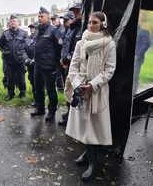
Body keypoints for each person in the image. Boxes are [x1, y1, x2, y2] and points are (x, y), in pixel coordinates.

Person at [65, 12, 116, 182]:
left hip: (96, 91)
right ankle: (87, 154)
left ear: (103, 24)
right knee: (83, 125)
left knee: (93, 127)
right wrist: (79, 84)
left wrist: (92, 85)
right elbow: (73, 67)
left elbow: (109, 70)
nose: (90, 25)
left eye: (94, 22)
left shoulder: (109, 44)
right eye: (89, 22)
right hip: (81, 90)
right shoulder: (81, 42)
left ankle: (94, 165)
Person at [30, 7, 62, 122]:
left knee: (50, 90)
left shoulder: (53, 30)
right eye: (38, 16)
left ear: (48, 17)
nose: (39, 18)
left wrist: (55, 64)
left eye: (42, 16)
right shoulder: (38, 29)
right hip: (37, 65)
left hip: (49, 66)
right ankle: (40, 109)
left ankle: (52, 112)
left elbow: (59, 48)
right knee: (38, 88)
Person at [58, 3, 83, 126]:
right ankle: (69, 113)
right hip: (66, 66)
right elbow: (65, 46)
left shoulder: (83, 27)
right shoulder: (71, 28)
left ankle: (73, 117)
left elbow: (79, 49)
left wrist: (67, 60)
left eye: (78, 11)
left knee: (75, 91)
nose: (76, 14)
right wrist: (62, 59)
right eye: (74, 11)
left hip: (75, 66)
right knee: (68, 90)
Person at [0, 15, 29, 100]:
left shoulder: (24, 33)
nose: (13, 23)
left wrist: (24, 56)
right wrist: (5, 52)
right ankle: (10, 94)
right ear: (9, 23)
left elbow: (27, 46)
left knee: (21, 78)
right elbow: (0, 45)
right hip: (9, 61)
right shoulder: (5, 33)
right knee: (10, 78)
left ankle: (22, 94)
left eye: (14, 21)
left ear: (18, 23)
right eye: (11, 22)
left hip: (20, 60)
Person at [133, 25, 151, 94]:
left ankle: (134, 93)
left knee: (135, 75)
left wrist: (138, 55)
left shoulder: (144, 32)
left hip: (137, 58)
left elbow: (146, 44)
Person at [26, 23, 37, 105]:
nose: (32, 30)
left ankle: (39, 100)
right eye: (31, 28)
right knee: (32, 81)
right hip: (29, 64)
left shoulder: (39, 38)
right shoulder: (28, 38)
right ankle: (35, 98)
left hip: (38, 64)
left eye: (33, 28)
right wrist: (26, 59)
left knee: (38, 82)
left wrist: (35, 59)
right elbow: (24, 49)